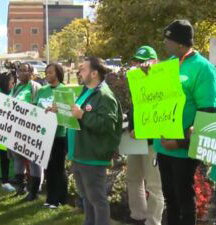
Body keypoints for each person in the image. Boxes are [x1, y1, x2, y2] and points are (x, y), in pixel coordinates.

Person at [153, 19, 216, 225]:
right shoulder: (166, 66)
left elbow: (208, 113)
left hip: (181, 150)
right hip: (163, 147)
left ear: (180, 43)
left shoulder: (202, 68)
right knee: (170, 199)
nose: (165, 44)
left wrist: (180, 142)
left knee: (183, 200)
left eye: (168, 40)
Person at [68, 56, 122, 225]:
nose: (79, 71)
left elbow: (107, 126)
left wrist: (83, 115)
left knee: (97, 199)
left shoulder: (105, 96)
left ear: (94, 73)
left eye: (83, 68)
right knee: (87, 198)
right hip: (80, 154)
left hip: (92, 156)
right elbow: (75, 115)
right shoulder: (86, 91)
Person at [126, 46, 164, 225]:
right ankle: (138, 216)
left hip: (153, 142)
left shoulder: (162, 82)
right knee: (133, 178)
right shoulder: (137, 80)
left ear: (155, 61)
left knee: (154, 185)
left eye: (145, 61)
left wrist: (141, 130)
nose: (141, 65)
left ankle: (153, 221)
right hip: (135, 140)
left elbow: (162, 116)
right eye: (138, 61)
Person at [36, 63, 68, 209]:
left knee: (58, 167)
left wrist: (57, 111)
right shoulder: (42, 90)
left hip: (59, 135)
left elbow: (68, 115)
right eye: (46, 72)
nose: (47, 75)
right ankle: (50, 197)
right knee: (48, 168)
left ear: (58, 74)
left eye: (50, 72)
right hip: (44, 134)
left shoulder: (64, 90)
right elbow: (35, 109)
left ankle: (60, 198)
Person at [10, 63, 42, 201]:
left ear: (31, 73)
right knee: (18, 157)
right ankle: (20, 187)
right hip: (16, 129)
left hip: (31, 129)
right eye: (19, 70)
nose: (21, 73)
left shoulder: (35, 87)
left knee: (34, 159)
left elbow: (38, 107)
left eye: (24, 71)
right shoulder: (16, 87)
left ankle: (34, 189)